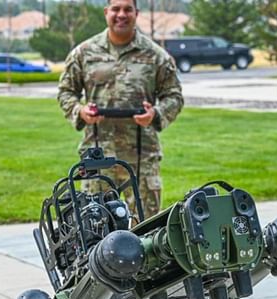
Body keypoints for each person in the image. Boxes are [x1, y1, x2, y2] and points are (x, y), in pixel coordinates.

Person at [57, 0, 184, 223]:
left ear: (137, 13)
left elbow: (174, 95)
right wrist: (80, 111)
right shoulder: (84, 53)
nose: (121, 15)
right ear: (106, 12)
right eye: (116, 9)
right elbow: (66, 91)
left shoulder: (155, 55)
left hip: (141, 156)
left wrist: (155, 113)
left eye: (128, 9)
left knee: (146, 229)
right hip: (97, 154)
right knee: (96, 228)